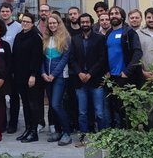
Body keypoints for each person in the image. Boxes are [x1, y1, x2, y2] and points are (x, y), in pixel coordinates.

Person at [70, 13, 107, 147]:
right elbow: (72, 59)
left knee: (100, 112)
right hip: (80, 81)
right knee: (82, 112)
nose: (85, 24)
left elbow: (102, 59)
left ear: (91, 23)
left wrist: (90, 73)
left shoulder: (99, 39)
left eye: (87, 22)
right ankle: (83, 138)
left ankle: (103, 138)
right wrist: (79, 72)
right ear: (80, 24)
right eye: (82, 22)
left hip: (95, 80)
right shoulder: (75, 39)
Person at [105, 6, 142, 128]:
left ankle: (130, 134)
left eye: (117, 13)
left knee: (127, 107)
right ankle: (120, 133)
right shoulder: (108, 33)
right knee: (115, 106)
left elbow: (138, 53)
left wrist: (127, 71)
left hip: (125, 76)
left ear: (122, 16)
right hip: (112, 77)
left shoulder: (129, 32)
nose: (113, 16)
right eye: (111, 14)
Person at [12, 12, 43, 143]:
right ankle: (27, 129)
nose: (25, 23)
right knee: (25, 104)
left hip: (31, 77)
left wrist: (33, 75)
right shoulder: (19, 36)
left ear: (32, 23)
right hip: (19, 76)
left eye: (27, 21)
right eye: (23, 21)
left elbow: (37, 58)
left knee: (32, 104)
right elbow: (15, 56)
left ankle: (34, 132)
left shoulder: (35, 37)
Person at [42, 14, 72, 146]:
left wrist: (53, 74)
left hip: (59, 76)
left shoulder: (66, 38)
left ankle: (67, 133)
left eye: (55, 23)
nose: (52, 25)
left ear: (59, 23)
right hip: (47, 77)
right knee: (52, 107)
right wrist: (43, 73)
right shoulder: (46, 38)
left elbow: (64, 59)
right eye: (50, 23)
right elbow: (41, 58)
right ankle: (58, 131)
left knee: (56, 104)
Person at [0, 2, 22, 133]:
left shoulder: (18, 27)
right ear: (0, 12)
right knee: (0, 97)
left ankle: (13, 123)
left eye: (7, 11)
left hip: (14, 66)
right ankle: (1, 123)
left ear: (11, 12)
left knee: (14, 97)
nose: (5, 13)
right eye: (3, 11)